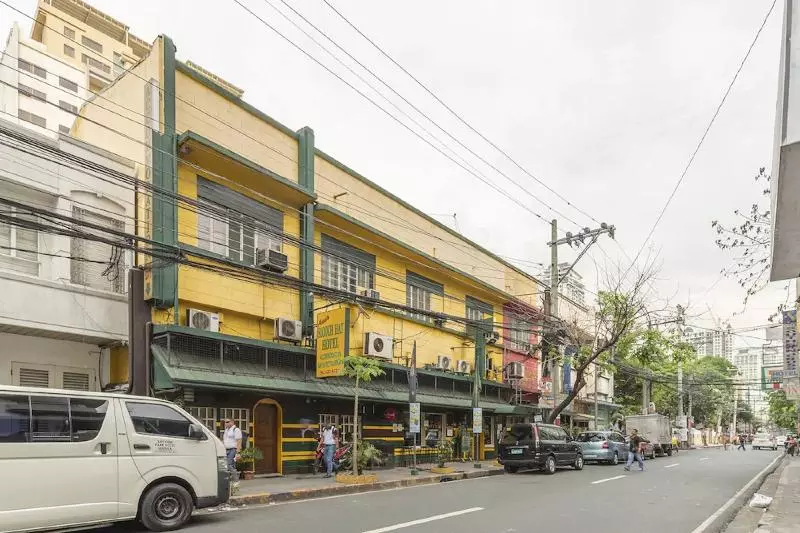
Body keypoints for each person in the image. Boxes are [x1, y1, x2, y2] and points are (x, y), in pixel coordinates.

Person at [222, 418, 243, 484]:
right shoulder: (226, 430)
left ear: (232, 422)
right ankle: (229, 480)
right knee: (225, 465)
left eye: (227, 422)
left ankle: (236, 480)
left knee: (229, 464)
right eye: (225, 422)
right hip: (226, 449)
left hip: (233, 449)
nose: (226, 423)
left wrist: (238, 452)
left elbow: (239, 441)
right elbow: (224, 440)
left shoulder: (236, 430)